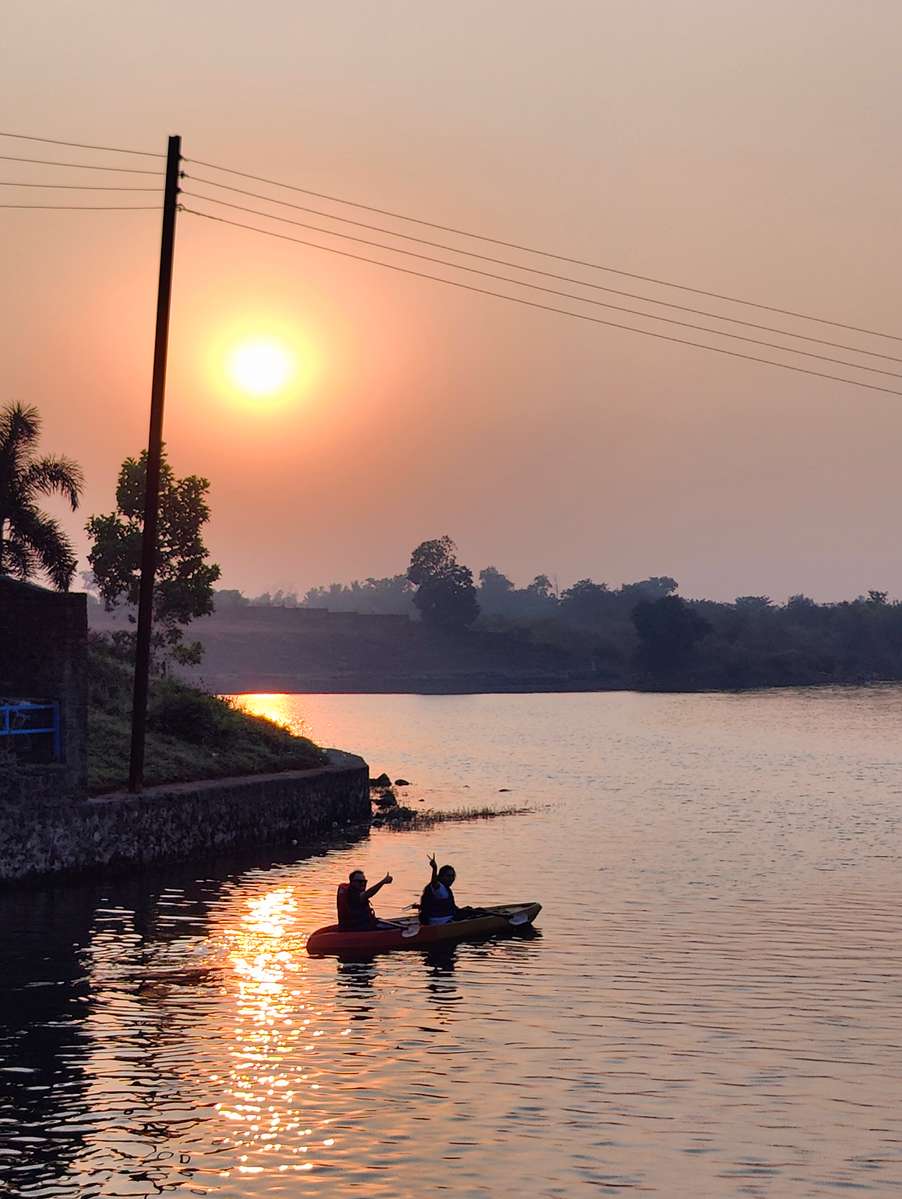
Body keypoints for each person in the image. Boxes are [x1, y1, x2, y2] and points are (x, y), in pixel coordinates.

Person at [419, 855, 459, 925]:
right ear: (441, 876)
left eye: (453, 876)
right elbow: (434, 883)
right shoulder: (440, 888)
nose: (451, 879)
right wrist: (434, 869)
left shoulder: (443, 888)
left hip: (434, 919)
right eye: (448, 876)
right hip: (441, 921)